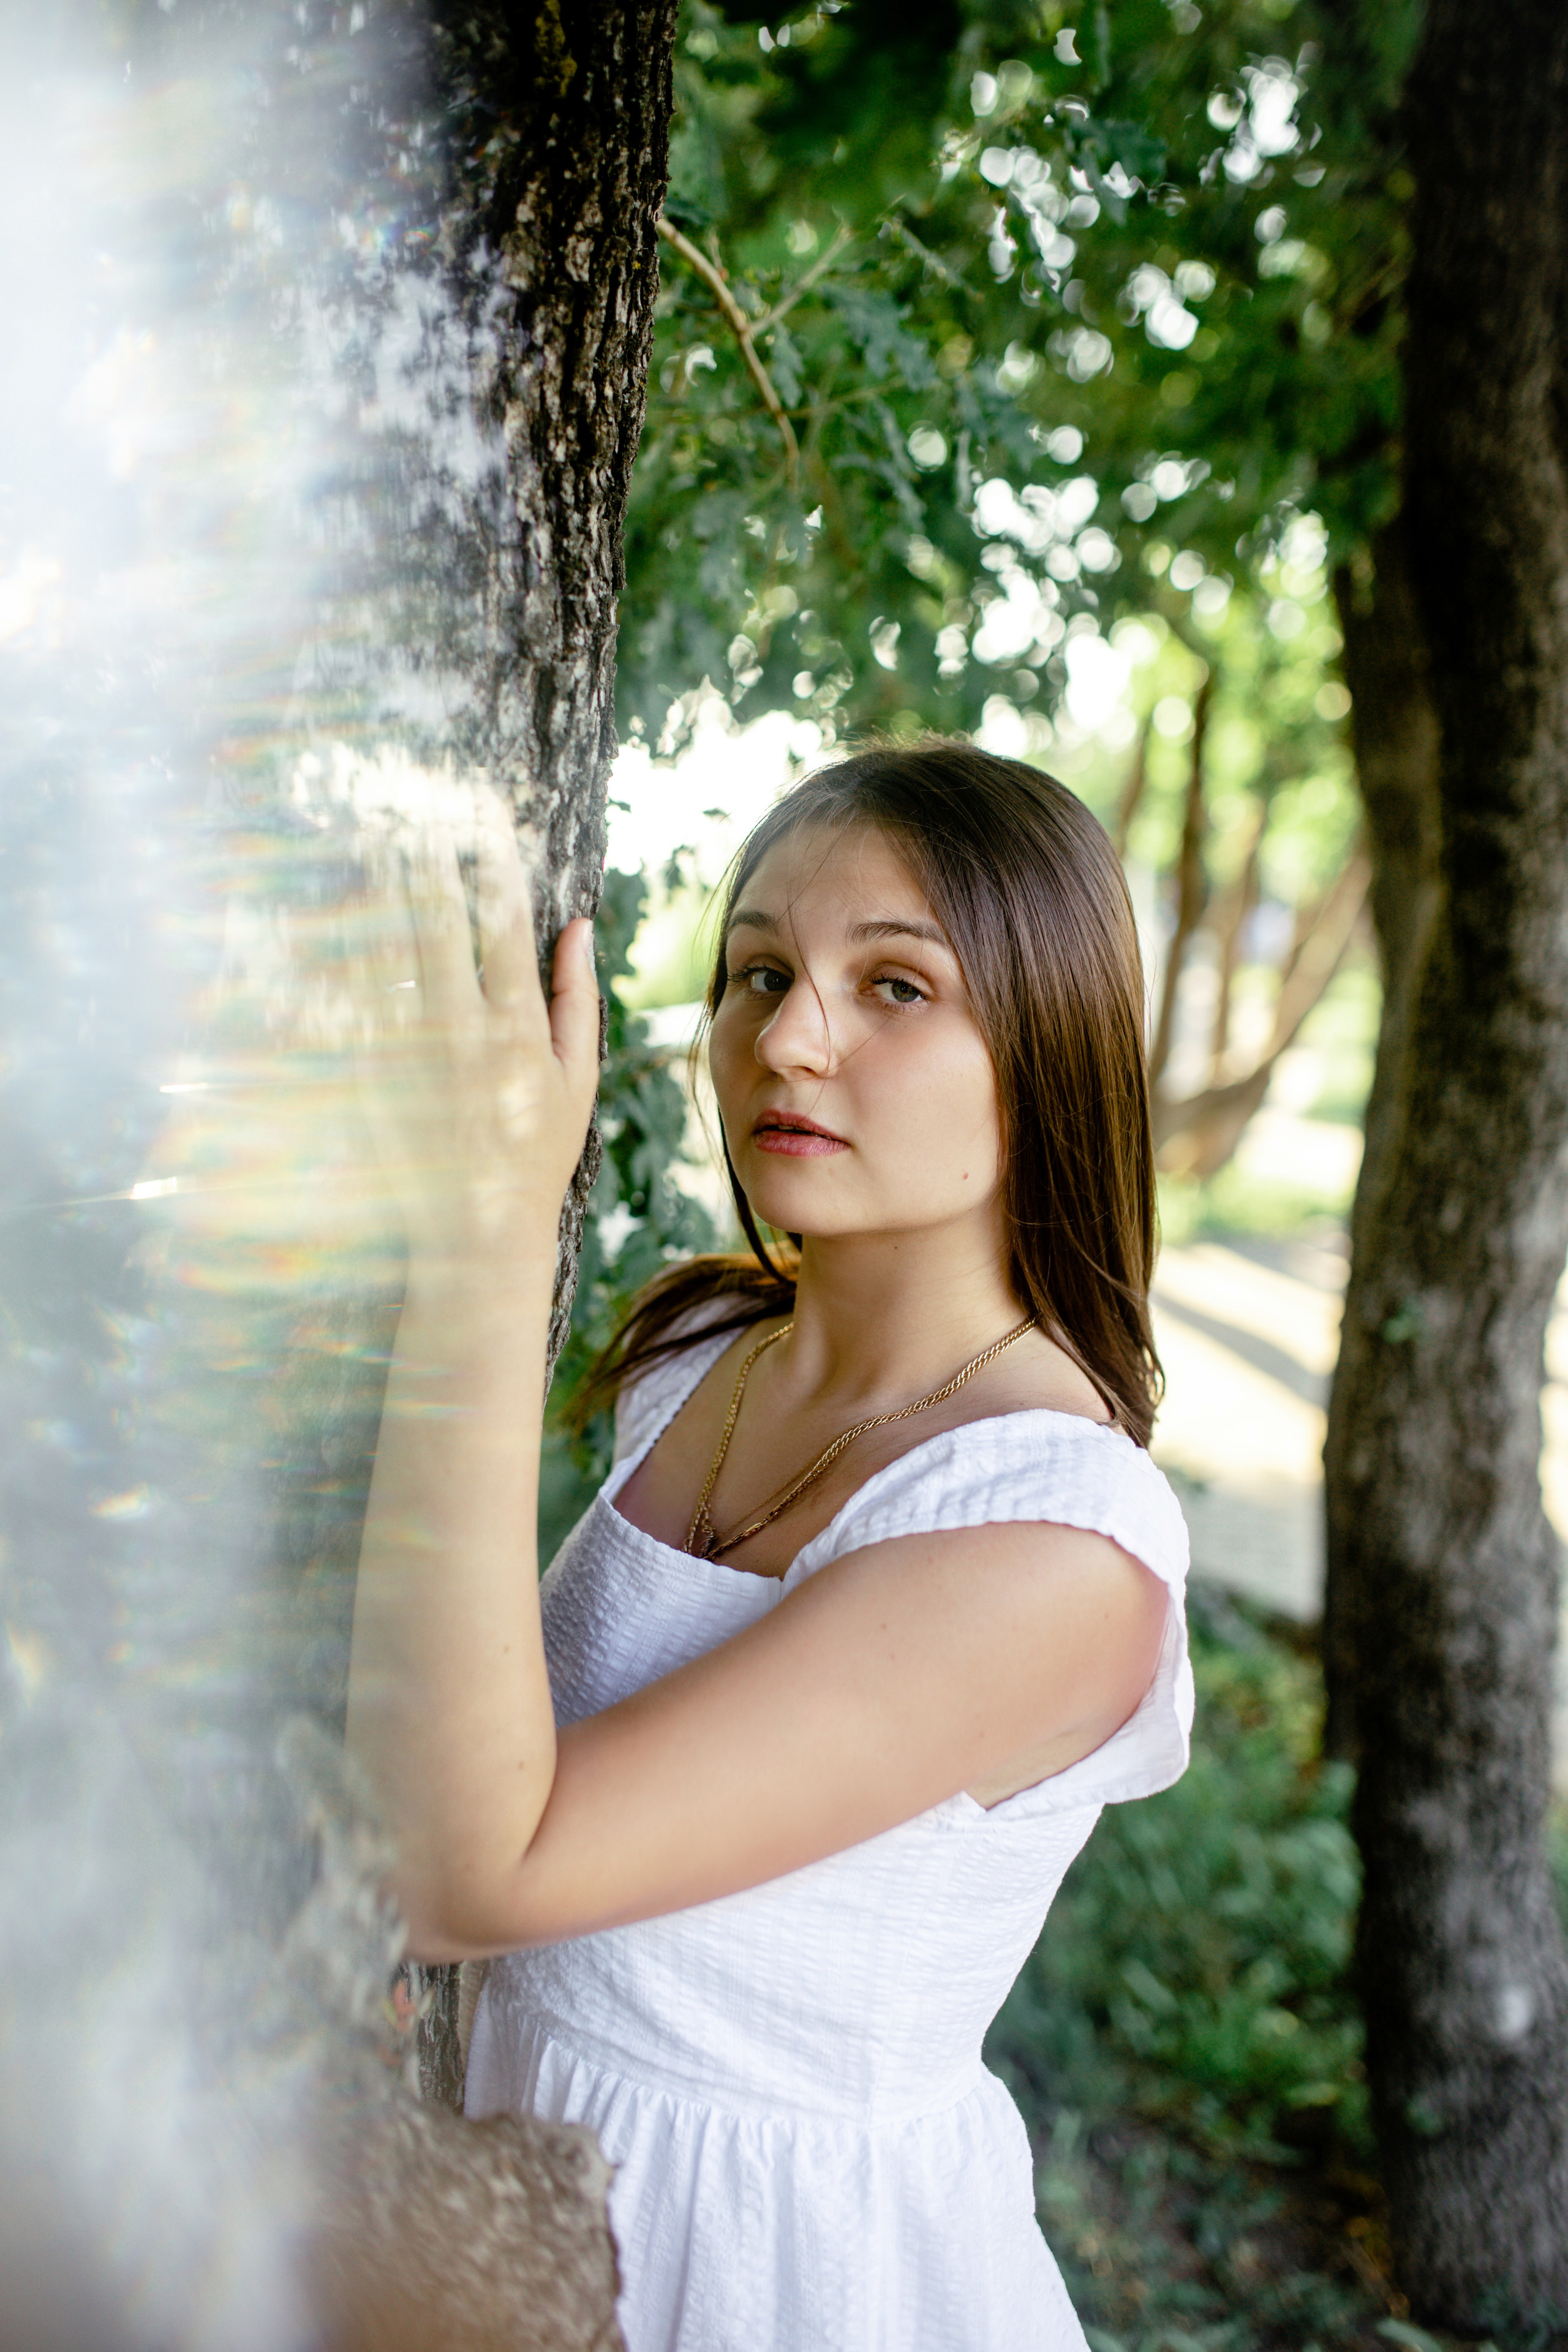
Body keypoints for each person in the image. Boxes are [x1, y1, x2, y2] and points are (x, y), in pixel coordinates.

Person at [346, 741, 1192, 2352]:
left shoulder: (1056, 1544)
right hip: (511, 2204)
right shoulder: (704, 1356)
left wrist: (483, 1244)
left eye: (895, 989)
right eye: (757, 973)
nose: (788, 1040)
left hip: (775, 2276)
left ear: (1049, 1039)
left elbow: (464, 1872)